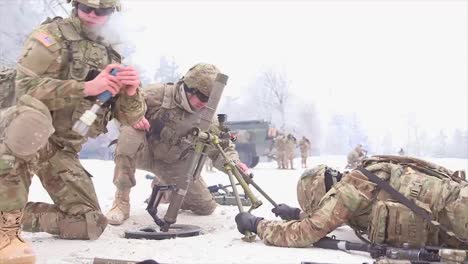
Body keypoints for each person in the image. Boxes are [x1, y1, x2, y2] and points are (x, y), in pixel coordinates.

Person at [0, 0, 146, 262]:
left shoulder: (112, 54)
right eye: (85, 8)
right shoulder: (51, 37)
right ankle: (5, 231)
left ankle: (16, 215)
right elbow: (24, 87)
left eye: (100, 11)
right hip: (26, 133)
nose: (91, 15)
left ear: (111, 14)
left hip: (61, 149)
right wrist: (85, 88)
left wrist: (132, 92)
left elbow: (131, 116)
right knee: (29, 125)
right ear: (75, 6)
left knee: (89, 223)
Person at [106, 63, 249, 225]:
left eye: (209, 100)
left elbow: (221, 148)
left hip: (172, 164)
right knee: (130, 130)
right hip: (143, 152)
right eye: (202, 97)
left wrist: (234, 163)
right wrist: (134, 117)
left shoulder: (207, 118)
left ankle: (163, 188)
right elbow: (120, 108)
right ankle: (121, 201)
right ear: (188, 88)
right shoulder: (155, 95)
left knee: (205, 207)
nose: (204, 103)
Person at [235, 155, 468, 250]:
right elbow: (334, 217)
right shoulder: (365, 172)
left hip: (458, 220)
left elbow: (305, 234)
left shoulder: (347, 192)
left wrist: (257, 224)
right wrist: (297, 213)